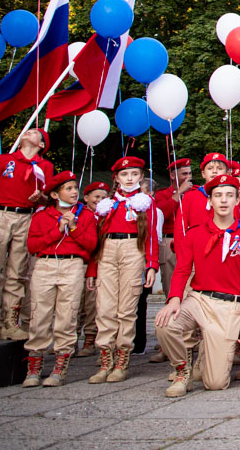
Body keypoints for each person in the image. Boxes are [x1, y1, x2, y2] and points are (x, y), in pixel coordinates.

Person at [154, 174, 240, 396]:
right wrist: (174, 299)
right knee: (165, 323)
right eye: (218, 195)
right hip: (198, 299)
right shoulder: (195, 234)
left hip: (228, 307)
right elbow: (182, 269)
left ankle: (206, 354)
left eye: (229, 195)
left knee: (215, 383)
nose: (223, 201)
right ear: (210, 201)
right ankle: (182, 371)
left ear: (237, 201)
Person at [22, 171, 98, 387]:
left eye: (75, 188)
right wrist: (58, 230)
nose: (74, 192)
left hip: (73, 265)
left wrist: (73, 227)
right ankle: (34, 365)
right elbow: (33, 246)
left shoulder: (86, 216)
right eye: (69, 189)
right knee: (39, 314)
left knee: (67, 314)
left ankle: (60, 365)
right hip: (45, 264)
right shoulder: (40, 216)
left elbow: (91, 245)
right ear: (55, 195)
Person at [86, 156, 159, 383]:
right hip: (107, 251)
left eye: (135, 174)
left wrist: (151, 265)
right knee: (105, 307)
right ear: (116, 178)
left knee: (127, 307)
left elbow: (151, 236)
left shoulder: (145, 201)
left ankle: (122, 360)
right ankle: (105, 359)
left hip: (132, 249)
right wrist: (92, 269)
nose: (129, 178)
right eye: (125, 174)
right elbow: (94, 240)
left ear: (141, 177)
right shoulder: (106, 204)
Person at [0, 127, 53, 343]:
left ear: (41, 144)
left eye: (34, 132)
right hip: (1, 215)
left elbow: (48, 199)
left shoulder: (45, 166)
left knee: (18, 271)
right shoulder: (3, 160)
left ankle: (9, 323)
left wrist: (40, 198)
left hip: (28, 217)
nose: (28, 133)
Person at [149, 158, 190, 363]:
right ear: (173, 175)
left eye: (190, 173)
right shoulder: (163, 194)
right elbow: (162, 213)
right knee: (171, 290)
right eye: (183, 174)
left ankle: (189, 340)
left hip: (190, 240)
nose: (188, 178)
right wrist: (179, 193)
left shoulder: (195, 191)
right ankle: (168, 343)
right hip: (170, 241)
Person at [75, 179, 108, 357]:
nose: (99, 200)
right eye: (96, 196)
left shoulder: (105, 216)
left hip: (97, 264)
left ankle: (89, 339)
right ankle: (71, 340)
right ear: (86, 197)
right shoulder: (78, 214)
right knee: (74, 304)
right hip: (79, 263)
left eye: (103, 197)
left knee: (92, 304)